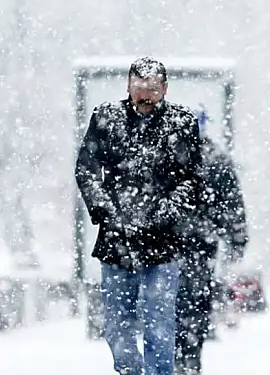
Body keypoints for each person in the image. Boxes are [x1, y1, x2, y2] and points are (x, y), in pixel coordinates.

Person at [75, 57, 202, 375]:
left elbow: (192, 179)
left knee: (159, 321)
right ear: (128, 87)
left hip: (163, 242)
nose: (145, 95)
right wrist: (105, 208)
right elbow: (87, 169)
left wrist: (166, 211)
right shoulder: (106, 118)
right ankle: (128, 371)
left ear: (165, 89)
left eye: (152, 89)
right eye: (139, 88)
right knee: (117, 323)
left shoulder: (182, 123)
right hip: (116, 242)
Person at [175, 108, 248, 375]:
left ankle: (175, 358)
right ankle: (189, 359)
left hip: (169, 246)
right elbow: (233, 206)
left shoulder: (165, 156)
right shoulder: (216, 159)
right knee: (194, 303)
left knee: (168, 304)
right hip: (200, 245)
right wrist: (237, 240)